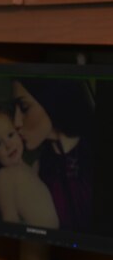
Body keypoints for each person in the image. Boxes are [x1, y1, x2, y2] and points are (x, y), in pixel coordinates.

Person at [12, 78, 94, 231]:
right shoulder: (37, 169)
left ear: (51, 100)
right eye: (14, 110)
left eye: (24, 107)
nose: (16, 122)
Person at [0, 103, 59, 229]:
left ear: (19, 132)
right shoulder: (3, 177)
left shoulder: (33, 168)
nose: (8, 145)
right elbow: (9, 221)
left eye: (10, 135)